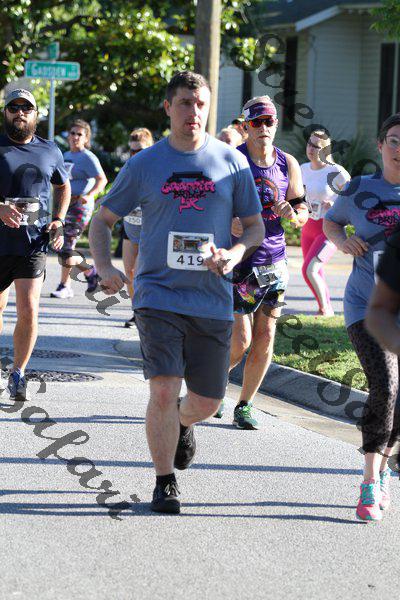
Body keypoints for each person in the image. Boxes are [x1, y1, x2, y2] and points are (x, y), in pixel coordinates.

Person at [89, 71, 264, 514]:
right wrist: (105, 266)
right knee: (164, 391)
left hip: (212, 298)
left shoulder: (231, 162)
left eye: (201, 103)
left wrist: (235, 253)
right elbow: (102, 220)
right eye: (185, 103)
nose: (194, 112)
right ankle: (164, 481)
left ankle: (184, 422)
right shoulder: (145, 164)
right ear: (168, 107)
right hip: (157, 295)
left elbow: (255, 226)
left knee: (207, 401)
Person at [323, 113, 400, 522]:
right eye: (394, 141)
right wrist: (343, 241)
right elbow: (330, 222)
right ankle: (369, 481)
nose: (399, 149)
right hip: (365, 307)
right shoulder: (359, 189)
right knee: (385, 385)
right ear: (380, 145)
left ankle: (383, 467)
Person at [215, 95, 308, 428]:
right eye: (256, 122)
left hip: (274, 262)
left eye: (269, 121)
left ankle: (244, 405)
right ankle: (211, 387)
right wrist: (229, 221)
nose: (263, 127)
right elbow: (212, 204)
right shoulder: (232, 159)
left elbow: (302, 208)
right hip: (239, 261)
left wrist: (293, 214)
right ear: (246, 126)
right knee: (239, 342)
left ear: (276, 125)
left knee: (266, 337)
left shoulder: (287, 163)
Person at [0, 88, 70, 399]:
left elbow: (63, 186)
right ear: (5, 113)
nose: (20, 113)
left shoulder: (50, 150)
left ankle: (18, 373)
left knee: (28, 308)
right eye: (13, 107)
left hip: (32, 242)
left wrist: (59, 219)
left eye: (26, 108)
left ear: (35, 115)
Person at [51, 119, 107, 299]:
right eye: (73, 133)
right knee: (62, 245)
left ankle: (65, 286)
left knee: (67, 245)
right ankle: (90, 272)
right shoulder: (65, 155)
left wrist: (90, 195)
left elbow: (102, 179)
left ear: (86, 138)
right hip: (65, 204)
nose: (75, 137)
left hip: (80, 206)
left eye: (80, 134)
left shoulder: (88, 157)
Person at [300, 130, 350, 316]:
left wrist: (335, 205)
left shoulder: (336, 172)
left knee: (309, 270)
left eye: (317, 146)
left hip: (329, 229)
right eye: (309, 144)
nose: (311, 149)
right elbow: (295, 195)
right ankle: (325, 307)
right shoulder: (302, 169)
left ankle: (326, 310)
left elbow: (351, 199)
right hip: (308, 227)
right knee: (314, 271)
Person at [122, 127, 154, 328]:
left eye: (140, 150)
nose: (135, 154)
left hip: (150, 229)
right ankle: (137, 313)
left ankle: (147, 312)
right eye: (132, 150)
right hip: (129, 226)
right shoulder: (127, 169)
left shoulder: (158, 170)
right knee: (130, 272)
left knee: (143, 273)